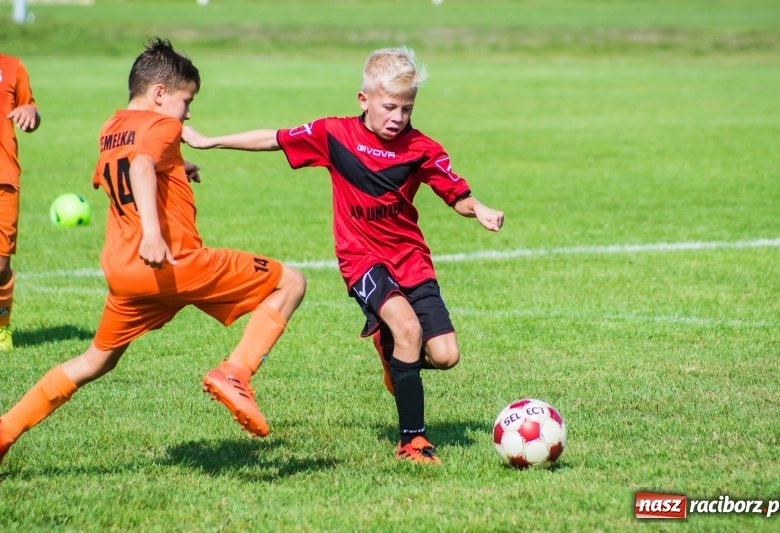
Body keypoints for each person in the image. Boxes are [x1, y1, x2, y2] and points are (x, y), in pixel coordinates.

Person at [182, 46, 504, 464]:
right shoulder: (334, 135)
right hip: (361, 259)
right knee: (407, 329)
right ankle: (412, 441)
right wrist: (210, 141)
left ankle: (394, 354)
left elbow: (456, 194)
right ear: (364, 99)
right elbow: (274, 138)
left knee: (445, 356)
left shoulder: (422, 148)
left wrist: (478, 208)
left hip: (411, 260)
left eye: (406, 109)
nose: (398, 117)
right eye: (389, 107)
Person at [0, 38, 306, 466]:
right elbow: (142, 166)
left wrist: (176, 168)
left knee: (94, 361)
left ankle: (5, 431)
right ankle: (235, 372)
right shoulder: (164, 125)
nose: (188, 114)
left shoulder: (111, 127)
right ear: (160, 94)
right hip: (173, 261)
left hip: (124, 272)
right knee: (291, 282)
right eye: (187, 101)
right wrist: (152, 232)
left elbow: (119, 173)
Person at [0, 53, 41, 351]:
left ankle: (2, 327)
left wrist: (30, 111)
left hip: (3, 177)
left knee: (0, 265)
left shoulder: (12, 66)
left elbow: (31, 109)